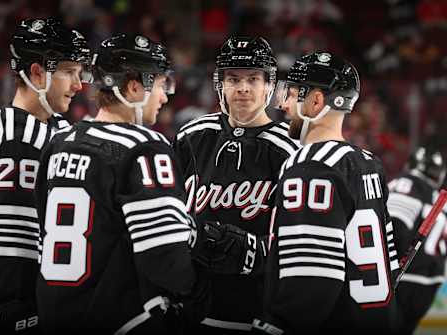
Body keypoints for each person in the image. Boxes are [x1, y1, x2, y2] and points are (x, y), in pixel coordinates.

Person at [35, 33, 205, 334]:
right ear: (134, 86)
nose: (165, 96)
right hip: (119, 320)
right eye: (161, 83)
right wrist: (199, 292)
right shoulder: (144, 146)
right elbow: (165, 256)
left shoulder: (59, 143)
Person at [252, 52, 401, 334]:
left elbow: (311, 282)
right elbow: (388, 265)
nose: (283, 104)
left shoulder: (310, 166)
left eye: (292, 94)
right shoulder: (368, 162)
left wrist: (274, 326)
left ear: (316, 101)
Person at [0, 18, 90, 333]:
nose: (79, 85)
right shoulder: (12, 133)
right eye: (68, 72)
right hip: (6, 311)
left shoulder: (57, 128)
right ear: (37, 72)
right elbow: (8, 248)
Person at [173, 35, 300, 334]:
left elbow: (301, 243)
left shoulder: (291, 150)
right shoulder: (192, 137)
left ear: (269, 85)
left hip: (258, 315)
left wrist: (260, 252)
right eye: (234, 78)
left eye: (253, 79)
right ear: (221, 84)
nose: (243, 88)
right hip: (192, 310)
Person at [388, 146, 447, 334]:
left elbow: (396, 227)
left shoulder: (406, 184)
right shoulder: (439, 198)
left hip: (401, 277)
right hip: (431, 282)